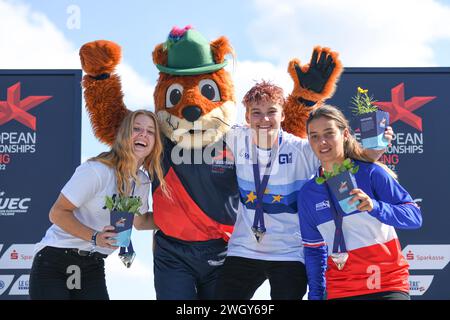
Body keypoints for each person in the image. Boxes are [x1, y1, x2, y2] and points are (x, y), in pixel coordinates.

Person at [215, 82, 393, 300]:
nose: (265, 119)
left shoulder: (301, 149)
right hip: (244, 249)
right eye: (257, 113)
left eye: (272, 112)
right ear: (247, 117)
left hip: (290, 252)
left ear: (282, 115)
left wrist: (375, 150)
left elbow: (342, 162)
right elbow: (198, 129)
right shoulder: (235, 138)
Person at [29, 110, 167, 300]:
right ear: (124, 134)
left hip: (93, 265)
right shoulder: (97, 170)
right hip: (55, 261)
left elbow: (141, 222)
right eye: (137, 128)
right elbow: (57, 213)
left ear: (155, 143)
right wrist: (95, 237)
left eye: (150, 131)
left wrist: (181, 219)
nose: (144, 134)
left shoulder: (142, 182)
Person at [298, 105, 422, 300]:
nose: (322, 141)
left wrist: (375, 206)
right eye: (314, 136)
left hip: (387, 285)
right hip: (342, 289)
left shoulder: (370, 173)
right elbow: (314, 251)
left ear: (345, 134)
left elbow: (414, 217)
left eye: (329, 133)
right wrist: (315, 296)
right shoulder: (308, 193)